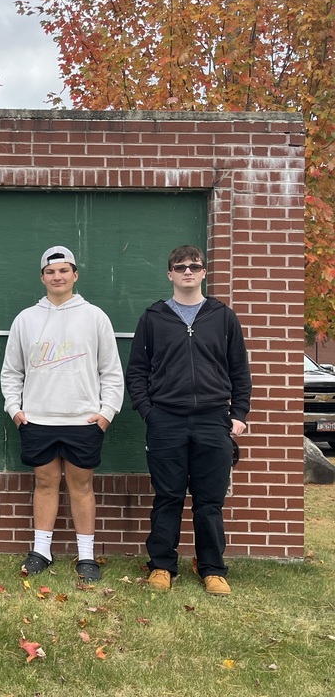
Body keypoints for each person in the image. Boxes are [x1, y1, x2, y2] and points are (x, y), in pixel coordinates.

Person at [125, 245, 250, 596]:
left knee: (209, 501)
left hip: (213, 420)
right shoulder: (154, 317)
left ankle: (212, 568)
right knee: (168, 497)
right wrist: (149, 412)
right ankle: (162, 566)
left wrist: (238, 414)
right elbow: (137, 371)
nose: (187, 272)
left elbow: (239, 369)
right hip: (166, 419)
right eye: (180, 267)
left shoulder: (222, 316)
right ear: (170, 274)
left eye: (194, 266)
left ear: (204, 272)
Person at [1, 246, 124, 582]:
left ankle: (87, 556)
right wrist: (15, 408)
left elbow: (111, 371)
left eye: (64, 271)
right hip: (38, 419)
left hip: (83, 420)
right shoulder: (26, 319)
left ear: (75, 275)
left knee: (81, 486)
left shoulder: (95, 316)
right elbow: (11, 371)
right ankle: (42, 550)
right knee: (45, 482)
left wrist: (106, 412)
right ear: (42, 277)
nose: (58, 277)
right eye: (51, 272)